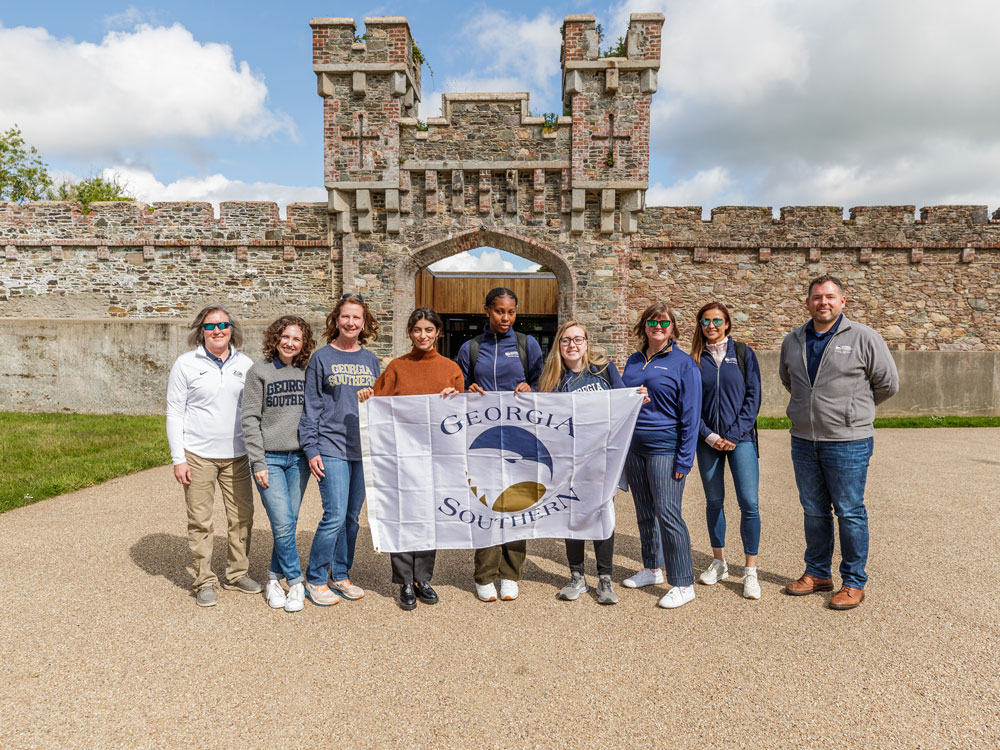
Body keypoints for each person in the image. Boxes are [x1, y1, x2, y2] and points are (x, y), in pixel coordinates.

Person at [779, 275, 898, 610]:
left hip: (848, 441)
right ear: (807, 303)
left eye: (830, 297)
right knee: (814, 510)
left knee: (849, 511)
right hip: (804, 440)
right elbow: (789, 381)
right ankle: (818, 573)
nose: (823, 303)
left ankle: (853, 581)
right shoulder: (793, 340)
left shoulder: (864, 337)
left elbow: (888, 383)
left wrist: (852, 411)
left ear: (842, 301)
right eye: (817, 297)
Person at [359, 308, 465, 610]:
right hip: (401, 456)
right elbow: (378, 407)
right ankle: (404, 579)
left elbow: (461, 416)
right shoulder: (397, 367)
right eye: (417, 330)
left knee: (430, 516)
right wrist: (367, 398)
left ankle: (423, 578)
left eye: (429, 330)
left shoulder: (451, 369)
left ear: (438, 333)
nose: (423, 335)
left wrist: (454, 398)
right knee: (402, 513)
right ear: (410, 333)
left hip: (436, 457)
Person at [166, 304, 259, 607]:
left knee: (242, 517)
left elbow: (253, 410)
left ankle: (237, 573)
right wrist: (178, 458)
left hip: (237, 455)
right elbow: (174, 412)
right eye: (210, 326)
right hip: (198, 455)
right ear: (201, 330)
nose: (217, 330)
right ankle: (204, 580)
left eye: (223, 325)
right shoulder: (185, 364)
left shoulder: (245, 364)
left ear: (232, 329)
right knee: (200, 521)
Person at [456, 287, 544, 602]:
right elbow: (458, 386)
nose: (505, 317)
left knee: (518, 502)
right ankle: (484, 575)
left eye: (511, 312)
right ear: (487, 311)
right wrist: (468, 389)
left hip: (520, 437)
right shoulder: (470, 348)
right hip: (483, 439)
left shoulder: (527, 344)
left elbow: (541, 382)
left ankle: (510, 574)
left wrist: (530, 388)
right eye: (499, 311)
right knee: (487, 504)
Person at [538, 320, 627, 606]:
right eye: (566, 340)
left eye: (578, 339)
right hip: (570, 459)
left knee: (602, 512)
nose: (572, 345)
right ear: (559, 345)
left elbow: (623, 400)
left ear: (587, 343)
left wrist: (637, 397)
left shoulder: (603, 369)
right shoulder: (553, 378)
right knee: (573, 514)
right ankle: (577, 576)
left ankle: (605, 578)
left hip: (603, 457)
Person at [299, 294, 380, 607]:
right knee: (333, 515)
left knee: (351, 518)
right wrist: (311, 449)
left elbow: (379, 405)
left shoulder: (370, 360)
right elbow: (311, 407)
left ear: (364, 323)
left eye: (356, 318)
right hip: (331, 446)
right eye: (345, 316)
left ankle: (341, 574)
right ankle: (316, 578)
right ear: (336, 320)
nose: (350, 322)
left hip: (363, 448)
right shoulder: (322, 358)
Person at [621, 303, 702, 609]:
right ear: (644, 326)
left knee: (668, 513)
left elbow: (691, 415)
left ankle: (683, 583)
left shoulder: (684, 364)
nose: (658, 327)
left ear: (673, 328)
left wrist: (685, 458)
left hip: (665, 447)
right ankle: (652, 568)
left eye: (664, 323)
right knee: (644, 511)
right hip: (635, 447)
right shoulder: (634, 360)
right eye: (652, 322)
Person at [241, 315, 316, 613]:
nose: (290, 343)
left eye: (296, 338)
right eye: (285, 337)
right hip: (269, 459)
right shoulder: (258, 371)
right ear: (275, 338)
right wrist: (257, 461)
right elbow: (250, 418)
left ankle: (273, 578)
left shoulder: (307, 371)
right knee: (283, 522)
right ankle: (296, 582)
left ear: (303, 343)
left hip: (299, 459)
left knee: (288, 522)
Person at [690, 302, 763, 600]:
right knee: (714, 501)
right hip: (707, 441)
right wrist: (708, 435)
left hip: (740, 439)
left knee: (749, 503)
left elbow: (753, 397)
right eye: (705, 321)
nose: (711, 325)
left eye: (717, 320)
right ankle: (719, 562)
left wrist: (732, 435)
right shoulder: (694, 359)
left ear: (727, 323)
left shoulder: (743, 353)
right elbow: (690, 404)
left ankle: (750, 571)